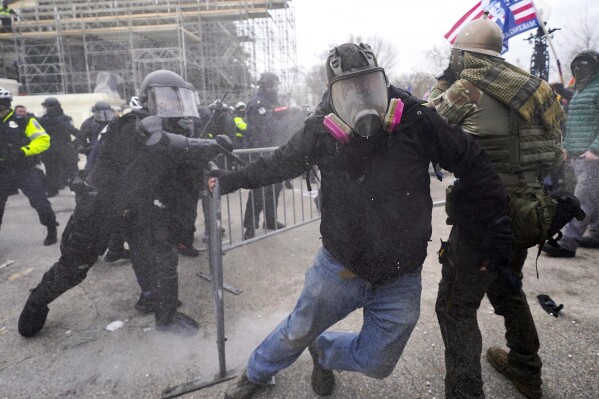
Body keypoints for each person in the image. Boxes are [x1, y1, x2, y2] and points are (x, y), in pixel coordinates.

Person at [210, 42, 513, 399]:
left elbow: (473, 161)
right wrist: (227, 181)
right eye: (349, 90)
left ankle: (323, 352)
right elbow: (276, 165)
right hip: (340, 267)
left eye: (368, 86)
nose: (362, 98)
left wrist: (498, 225)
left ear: (382, 82)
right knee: (296, 330)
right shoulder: (319, 130)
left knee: (376, 363)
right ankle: (255, 374)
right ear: (331, 93)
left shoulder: (417, 120)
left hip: (401, 275)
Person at [17, 70, 224, 338]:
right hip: (100, 207)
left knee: (163, 255)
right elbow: (160, 143)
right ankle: (36, 304)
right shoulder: (130, 124)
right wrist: (199, 144)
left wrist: (210, 149)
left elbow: (174, 162)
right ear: (149, 97)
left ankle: (166, 316)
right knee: (74, 268)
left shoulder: (168, 126)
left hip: (136, 205)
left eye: (178, 99)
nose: (174, 105)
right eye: (167, 99)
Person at [427, 14, 565, 399]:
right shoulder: (536, 89)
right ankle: (525, 368)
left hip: (485, 218)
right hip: (531, 212)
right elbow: (557, 151)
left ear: (463, 55)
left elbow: (426, 124)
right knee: (507, 287)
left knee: (454, 307)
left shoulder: (468, 88)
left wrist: (443, 81)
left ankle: (466, 393)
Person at [542, 50, 599, 256]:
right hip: (577, 153)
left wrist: (595, 149)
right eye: (576, 65)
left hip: (592, 156)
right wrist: (566, 145)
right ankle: (596, 235)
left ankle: (567, 243)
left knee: (582, 199)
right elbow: (573, 121)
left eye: (584, 64)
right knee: (595, 197)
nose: (578, 68)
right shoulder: (582, 91)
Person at [0, 87, 59, 246]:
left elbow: (43, 140)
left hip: (24, 169)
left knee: (40, 202)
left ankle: (51, 227)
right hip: (2, 171)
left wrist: (24, 151)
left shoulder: (24, 120)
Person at [76, 100, 130, 263]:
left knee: (113, 215)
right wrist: (85, 148)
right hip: (97, 171)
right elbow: (79, 143)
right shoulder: (88, 124)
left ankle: (113, 249)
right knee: (100, 215)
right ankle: (94, 250)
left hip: (107, 172)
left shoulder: (115, 124)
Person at [241, 72, 286, 240]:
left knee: (275, 188)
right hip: (260, 153)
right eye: (274, 85)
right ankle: (250, 226)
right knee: (259, 191)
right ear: (266, 85)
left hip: (274, 152)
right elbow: (262, 129)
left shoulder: (271, 102)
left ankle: (271, 220)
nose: (276, 88)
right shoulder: (256, 103)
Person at [38, 97, 80, 197]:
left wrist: (76, 143)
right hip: (50, 148)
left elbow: (73, 131)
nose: (47, 109)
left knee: (72, 169)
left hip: (64, 146)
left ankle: (78, 188)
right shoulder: (43, 120)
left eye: (48, 107)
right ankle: (53, 189)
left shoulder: (65, 118)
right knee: (51, 170)